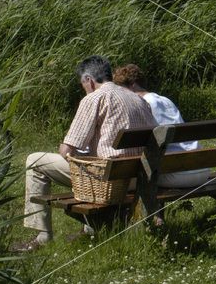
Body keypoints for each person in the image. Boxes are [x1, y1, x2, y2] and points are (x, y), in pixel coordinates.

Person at [10, 55, 155, 251]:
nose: (84, 89)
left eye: (83, 85)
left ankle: (43, 236)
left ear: (89, 80)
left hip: (109, 181)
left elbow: (67, 150)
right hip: (136, 177)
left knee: (35, 161)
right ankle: (91, 227)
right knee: (96, 157)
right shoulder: (138, 99)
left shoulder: (95, 98)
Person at [112, 64, 211, 188]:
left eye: (121, 90)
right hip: (202, 169)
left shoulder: (143, 105)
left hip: (177, 174)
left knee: (128, 182)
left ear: (133, 85)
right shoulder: (166, 100)